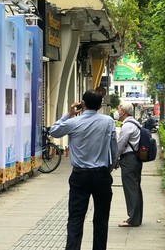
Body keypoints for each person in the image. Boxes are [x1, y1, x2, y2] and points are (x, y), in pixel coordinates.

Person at [49, 90, 117, 250]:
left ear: (82, 104)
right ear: (100, 106)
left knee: (75, 218)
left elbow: (53, 131)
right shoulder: (108, 121)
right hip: (101, 175)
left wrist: (69, 114)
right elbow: (114, 148)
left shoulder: (74, 122)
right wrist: (109, 169)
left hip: (79, 175)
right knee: (101, 219)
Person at [114, 101, 143, 227]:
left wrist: (114, 159)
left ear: (124, 112)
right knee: (135, 188)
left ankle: (133, 219)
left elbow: (121, 145)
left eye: (119, 109)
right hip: (134, 159)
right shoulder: (134, 124)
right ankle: (136, 217)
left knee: (131, 188)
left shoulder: (127, 126)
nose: (117, 111)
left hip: (129, 159)